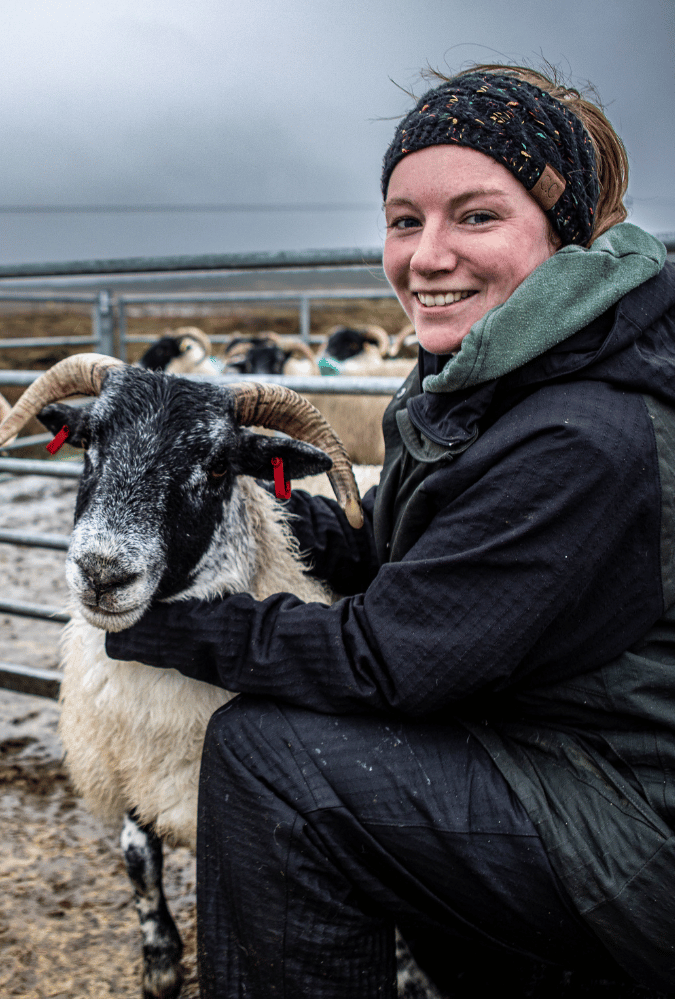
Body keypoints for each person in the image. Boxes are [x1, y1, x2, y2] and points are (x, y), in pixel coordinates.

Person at [106, 64, 675, 998]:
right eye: (404, 220)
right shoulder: (497, 375)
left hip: (630, 818)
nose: (427, 254)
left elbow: (392, 656)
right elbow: (437, 574)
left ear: (561, 233)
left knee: (278, 761)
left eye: (476, 215)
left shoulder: (584, 428)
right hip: (548, 745)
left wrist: (153, 625)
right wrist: (251, 511)